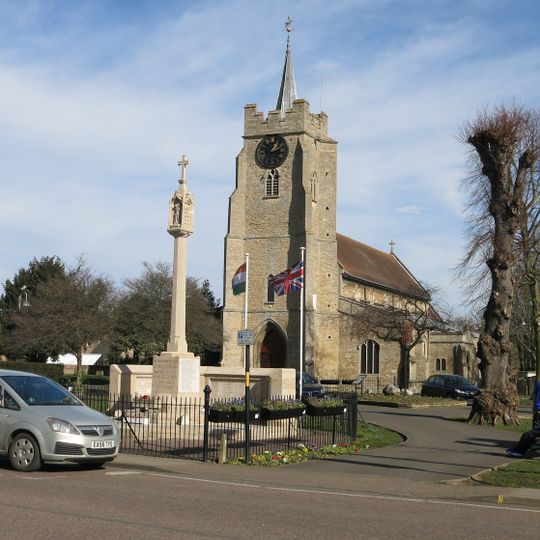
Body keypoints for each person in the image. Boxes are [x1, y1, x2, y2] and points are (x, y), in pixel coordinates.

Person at [506, 380, 540, 457]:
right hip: (537, 409)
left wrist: (535, 407)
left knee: (530, 434)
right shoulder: (538, 383)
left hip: (537, 409)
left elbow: (534, 396)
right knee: (533, 431)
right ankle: (520, 450)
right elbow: (534, 396)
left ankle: (519, 451)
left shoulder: (538, 383)